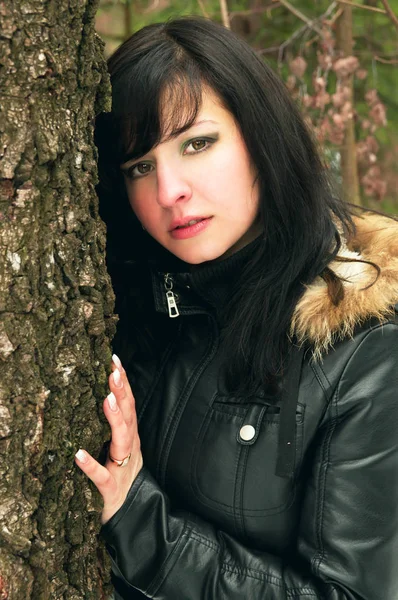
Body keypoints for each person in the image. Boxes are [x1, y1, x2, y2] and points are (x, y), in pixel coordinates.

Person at [75, 16, 398, 600]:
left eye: (197, 143)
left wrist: (136, 518)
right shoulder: (126, 307)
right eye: (138, 167)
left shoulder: (365, 349)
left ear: (260, 137)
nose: (169, 190)